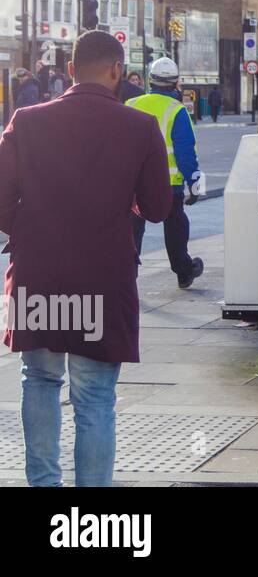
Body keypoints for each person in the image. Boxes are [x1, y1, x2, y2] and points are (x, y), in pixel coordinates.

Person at [0, 30, 172, 487]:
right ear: (118, 71)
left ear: (70, 70)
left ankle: (43, 486)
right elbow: (157, 207)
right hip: (102, 277)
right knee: (95, 397)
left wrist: (25, 229)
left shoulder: (27, 120)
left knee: (38, 381)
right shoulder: (140, 127)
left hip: (38, 274)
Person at [126, 57, 204, 289]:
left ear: (150, 80)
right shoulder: (177, 111)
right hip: (168, 185)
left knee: (132, 230)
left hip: (134, 184)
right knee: (176, 225)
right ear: (176, 82)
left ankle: (128, 275)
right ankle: (183, 270)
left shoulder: (130, 104)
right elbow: (185, 152)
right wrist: (195, 184)